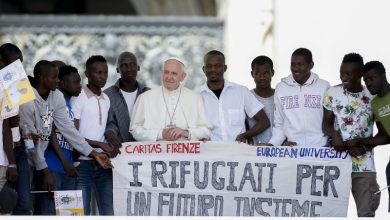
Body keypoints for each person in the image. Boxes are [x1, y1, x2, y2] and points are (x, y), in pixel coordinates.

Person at [18, 60, 112, 213]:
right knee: (27, 206)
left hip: (47, 163)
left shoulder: (56, 96)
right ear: (41, 78)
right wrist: (45, 170)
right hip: (29, 160)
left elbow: (68, 129)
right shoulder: (27, 101)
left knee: (68, 212)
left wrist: (94, 153)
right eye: (54, 77)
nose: (57, 80)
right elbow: (29, 141)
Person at [322, 53, 380, 217]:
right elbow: (325, 123)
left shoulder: (372, 95)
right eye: (341, 72)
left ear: (360, 74)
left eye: (348, 73)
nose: (343, 77)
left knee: (366, 213)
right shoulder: (332, 93)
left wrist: (364, 145)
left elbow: (383, 134)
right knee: (331, 213)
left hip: (364, 166)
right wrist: (334, 135)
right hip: (336, 163)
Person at [72, 55, 117, 215]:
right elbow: (72, 135)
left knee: (109, 212)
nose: (102, 76)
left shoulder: (106, 99)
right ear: (87, 74)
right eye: (98, 72)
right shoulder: (78, 97)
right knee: (80, 213)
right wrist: (99, 145)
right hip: (82, 164)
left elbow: (105, 129)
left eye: (105, 72)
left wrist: (109, 143)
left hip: (103, 163)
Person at [343, 61, 390, 213]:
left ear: (383, 75)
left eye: (372, 78)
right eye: (366, 80)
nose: (369, 83)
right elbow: (385, 136)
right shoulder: (375, 103)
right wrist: (361, 143)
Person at [35, 65, 82, 215]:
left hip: (68, 168)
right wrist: (64, 161)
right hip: (53, 167)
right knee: (49, 213)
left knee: (70, 215)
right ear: (62, 84)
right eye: (76, 82)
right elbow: (51, 133)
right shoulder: (51, 103)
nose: (80, 85)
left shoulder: (68, 105)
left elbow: (72, 134)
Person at [130, 57, 212, 141]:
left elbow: (206, 131)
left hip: (186, 153)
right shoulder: (145, 98)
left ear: (183, 76)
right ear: (162, 73)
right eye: (166, 72)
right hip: (156, 153)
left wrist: (186, 133)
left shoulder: (195, 98)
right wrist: (160, 134)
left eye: (174, 73)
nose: (169, 77)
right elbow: (135, 130)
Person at [199, 50, 269, 142]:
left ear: (225, 68)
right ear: (204, 69)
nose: (213, 69)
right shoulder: (196, 96)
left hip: (238, 153)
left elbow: (264, 122)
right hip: (210, 153)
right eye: (209, 66)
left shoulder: (241, 91)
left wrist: (245, 135)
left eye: (217, 66)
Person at [266, 48, 330, 147]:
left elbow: (331, 120)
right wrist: (274, 144)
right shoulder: (281, 88)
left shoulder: (324, 86)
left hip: (321, 148)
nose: (295, 68)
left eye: (300, 64)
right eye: (293, 64)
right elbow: (279, 123)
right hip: (293, 150)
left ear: (311, 65)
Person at [104, 52, 149, 148]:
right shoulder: (107, 95)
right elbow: (109, 123)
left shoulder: (149, 93)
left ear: (138, 68)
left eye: (132, 65)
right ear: (117, 70)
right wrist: (110, 133)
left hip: (147, 151)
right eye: (124, 66)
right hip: (120, 152)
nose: (128, 69)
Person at [0, 43, 18, 214]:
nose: (17, 69)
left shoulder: (5, 89)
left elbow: (7, 127)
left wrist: (11, 163)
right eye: (14, 64)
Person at [247, 55, 275, 144]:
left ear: (272, 73)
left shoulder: (281, 95)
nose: (262, 77)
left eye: (266, 73)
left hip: (280, 151)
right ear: (252, 74)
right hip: (255, 152)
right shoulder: (247, 96)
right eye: (258, 73)